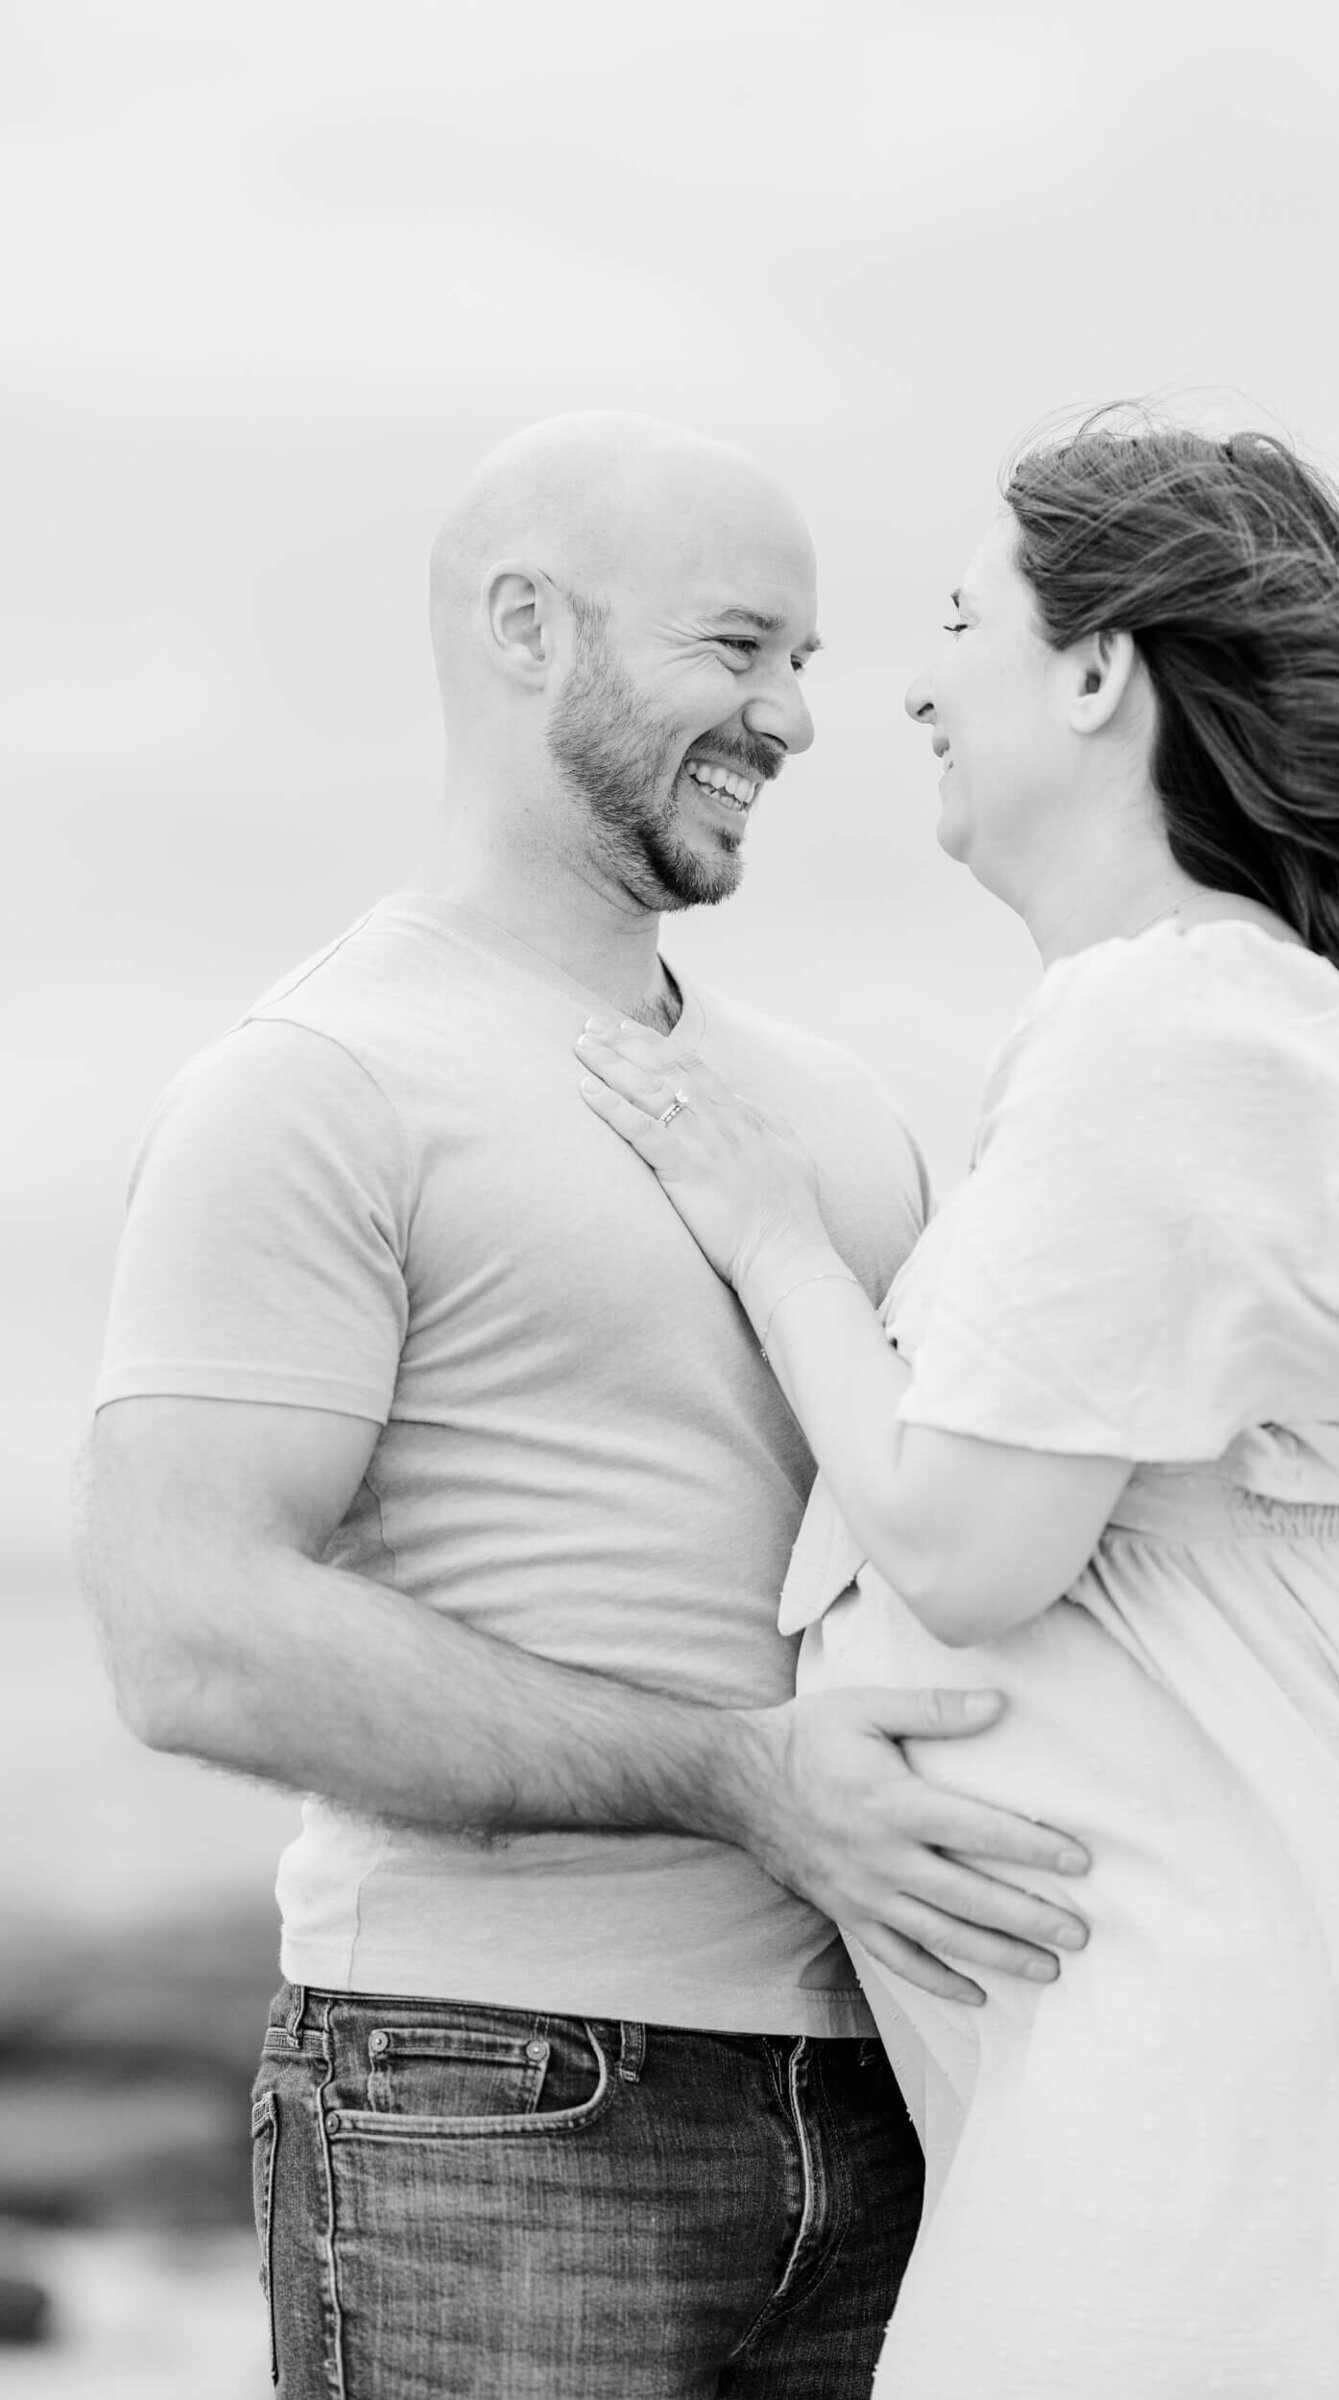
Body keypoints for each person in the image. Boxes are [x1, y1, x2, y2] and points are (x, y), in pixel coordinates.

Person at [576, 410, 1339, 2398]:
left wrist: (771, 1232)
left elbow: (964, 1547)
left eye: (958, 620)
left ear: (1094, 668)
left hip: (1212, 2102)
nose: (901, 685)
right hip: (1263, 2040)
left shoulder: (1155, 1033)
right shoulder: (1252, 1036)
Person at [76, 412, 1095, 2400]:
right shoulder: (316, 1084)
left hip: (905, 2096)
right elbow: (187, 1635)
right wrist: (737, 1776)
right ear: (525, 627)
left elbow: (962, 1535)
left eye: (807, 659)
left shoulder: (833, 1113)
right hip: (489, 2100)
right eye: (737, 648)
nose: (796, 717)